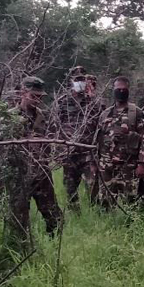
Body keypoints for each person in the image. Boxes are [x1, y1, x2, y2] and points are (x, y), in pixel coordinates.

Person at [0, 76, 63, 247]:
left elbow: (52, 141)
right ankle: (22, 250)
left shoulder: (44, 118)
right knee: (18, 220)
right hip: (18, 176)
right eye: (34, 96)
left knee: (55, 217)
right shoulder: (8, 118)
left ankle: (53, 248)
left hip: (41, 175)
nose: (37, 100)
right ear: (23, 93)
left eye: (40, 97)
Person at [92, 76, 144, 207]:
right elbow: (97, 139)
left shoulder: (136, 112)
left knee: (131, 201)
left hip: (129, 164)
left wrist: (142, 163)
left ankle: (131, 226)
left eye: (124, 89)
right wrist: (94, 162)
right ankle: (108, 226)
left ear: (129, 90)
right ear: (113, 90)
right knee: (105, 201)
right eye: (118, 89)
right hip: (106, 166)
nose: (121, 92)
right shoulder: (105, 114)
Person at [55, 66, 102, 209]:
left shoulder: (92, 101)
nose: (80, 82)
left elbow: (102, 119)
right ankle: (75, 214)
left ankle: (95, 212)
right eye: (77, 79)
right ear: (71, 81)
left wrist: (93, 97)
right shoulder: (63, 102)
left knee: (93, 184)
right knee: (70, 187)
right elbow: (55, 125)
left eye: (82, 79)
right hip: (69, 152)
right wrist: (59, 150)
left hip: (88, 152)